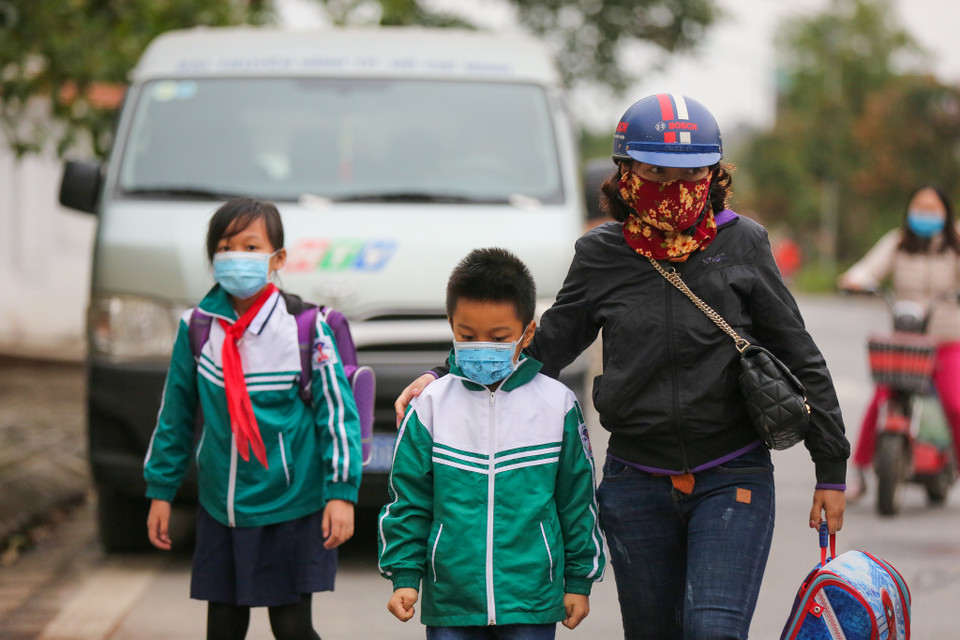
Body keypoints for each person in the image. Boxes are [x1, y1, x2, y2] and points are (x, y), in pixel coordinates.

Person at [395, 94, 848, 640]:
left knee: (713, 631)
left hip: (733, 472)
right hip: (637, 483)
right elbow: (545, 348)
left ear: (714, 175)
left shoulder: (743, 244)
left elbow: (799, 352)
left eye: (692, 172)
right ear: (625, 172)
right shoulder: (600, 254)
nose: (674, 185)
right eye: (656, 170)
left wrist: (831, 466)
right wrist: (447, 376)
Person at [144, 197, 362, 640]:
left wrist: (341, 493)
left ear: (277, 258)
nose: (237, 258)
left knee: (292, 628)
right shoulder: (198, 328)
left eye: (250, 247)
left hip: (291, 505)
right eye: (225, 248)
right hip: (221, 509)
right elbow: (176, 416)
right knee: (222, 628)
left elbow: (337, 415)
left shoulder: (305, 329)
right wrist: (161, 491)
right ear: (212, 259)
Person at [378, 247, 605, 640]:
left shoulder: (557, 404)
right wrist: (404, 575)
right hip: (451, 603)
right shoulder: (430, 405)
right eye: (468, 336)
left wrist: (578, 581)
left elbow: (576, 501)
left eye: (498, 338)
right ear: (451, 325)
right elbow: (409, 500)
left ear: (527, 333)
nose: (482, 346)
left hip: (531, 601)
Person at [838, 185, 960, 499]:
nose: (925, 214)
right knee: (880, 399)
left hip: (947, 339)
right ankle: (861, 472)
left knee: (955, 404)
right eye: (920, 208)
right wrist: (856, 280)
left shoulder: (955, 243)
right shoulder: (897, 242)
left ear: (946, 212)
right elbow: (870, 268)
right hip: (906, 343)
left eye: (933, 209)